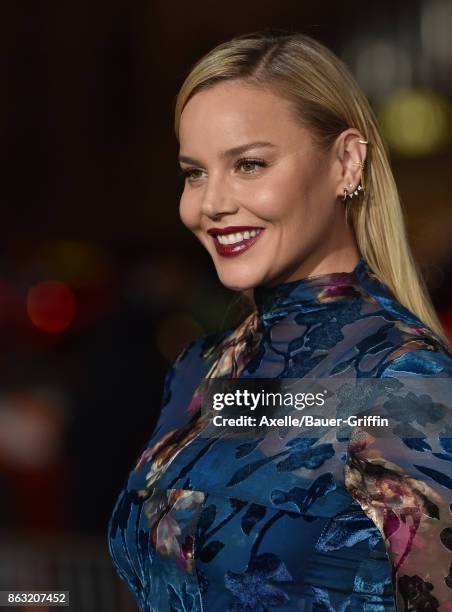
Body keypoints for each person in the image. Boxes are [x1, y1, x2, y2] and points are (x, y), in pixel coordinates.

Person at [108, 31, 452, 611]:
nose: (211, 202)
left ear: (347, 161)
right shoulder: (201, 370)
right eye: (194, 172)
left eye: (249, 164)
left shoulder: (403, 380)